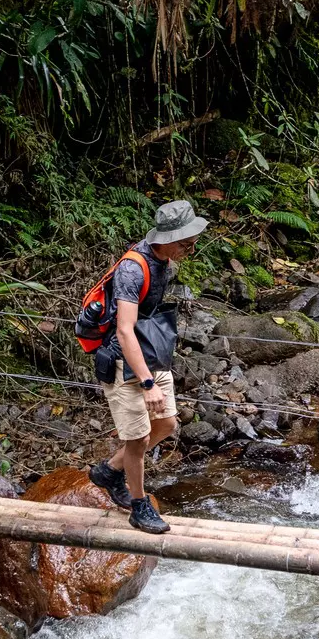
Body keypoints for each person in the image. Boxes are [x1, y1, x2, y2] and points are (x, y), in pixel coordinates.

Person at [85, 199, 207, 534]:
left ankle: (109, 471)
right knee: (137, 440)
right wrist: (147, 383)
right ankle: (139, 508)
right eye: (187, 244)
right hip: (126, 361)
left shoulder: (164, 261)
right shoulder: (132, 269)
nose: (191, 250)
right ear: (166, 238)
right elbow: (124, 330)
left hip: (151, 351)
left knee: (166, 423)